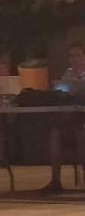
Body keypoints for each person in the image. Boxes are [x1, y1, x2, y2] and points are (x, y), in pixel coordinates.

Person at [42, 41, 85, 193]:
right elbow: (61, 94)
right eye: (71, 55)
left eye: (78, 55)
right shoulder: (67, 75)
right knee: (55, 133)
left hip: (82, 121)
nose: (74, 58)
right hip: (72, 119)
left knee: (81, 133)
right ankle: (55, 181)